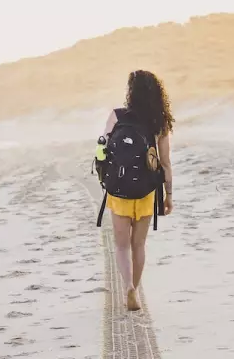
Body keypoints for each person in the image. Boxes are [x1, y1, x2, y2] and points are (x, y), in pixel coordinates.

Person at [101, 70, 174, 311]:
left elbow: (102, 151)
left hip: (119, 190)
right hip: (145, 191)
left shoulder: (117, 115)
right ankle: (136, 287)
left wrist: (106, 180)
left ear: (131, 92)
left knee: (122, 246)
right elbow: (165, 163)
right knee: (138, 245)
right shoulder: (158, 123)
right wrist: (168, 195)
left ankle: (128, 289)